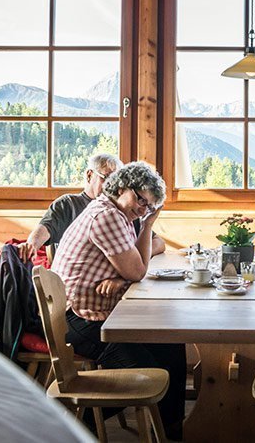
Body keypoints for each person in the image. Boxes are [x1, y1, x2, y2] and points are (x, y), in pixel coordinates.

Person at [50, 161, 186, 440]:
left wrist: (124, 279)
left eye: (149, 206)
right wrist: (148, 225)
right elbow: (138, 270)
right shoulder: (107, 216)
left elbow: (134, 268)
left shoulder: (116, 213)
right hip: (80, 319)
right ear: (122, 186)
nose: (143, 208)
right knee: (145, 375)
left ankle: (170, 432)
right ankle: (72, 428)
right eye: (140, 200)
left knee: (172, 346)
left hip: (97, 312)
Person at [19, 153, 165, 261]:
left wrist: (137, 256)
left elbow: (159, 243)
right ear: (89, 175)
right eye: (107, 177)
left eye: (117, 179)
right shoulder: (69, 204)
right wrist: (30, 245)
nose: (113, 184)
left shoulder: (127, 209)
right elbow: (44, 230)